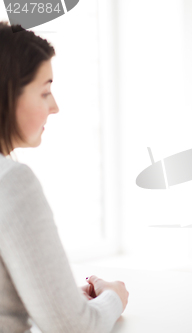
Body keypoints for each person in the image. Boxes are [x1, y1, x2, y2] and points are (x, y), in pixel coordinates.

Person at [0, 22, 129, 332]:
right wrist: (114, 297)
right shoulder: (12, 183)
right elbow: (72, 328)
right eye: (45, 91)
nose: (54, 107)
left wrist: (62, 300)